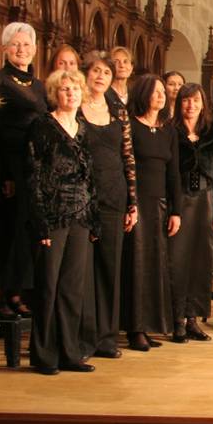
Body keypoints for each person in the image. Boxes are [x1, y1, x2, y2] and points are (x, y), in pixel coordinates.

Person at [28, 69, 99, 374]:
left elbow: (90, 178)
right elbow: (35, 176)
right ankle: (43, 355)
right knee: (48, 286)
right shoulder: (42, 126)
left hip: (80, 214)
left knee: (72, 288)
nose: (71, 94)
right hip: (53, 214)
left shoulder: (83, 129)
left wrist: (93, 218)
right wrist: (40, 221)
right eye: (65, 90)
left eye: (75, 90)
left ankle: (70, 352)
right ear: (55, 94)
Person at [79, 52, 138, 359]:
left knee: (109, 268)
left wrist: (133, 202)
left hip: (114, 195)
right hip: (82, 198)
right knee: (83, 270)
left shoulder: (118, 111)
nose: (101, 76)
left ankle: (106, 337)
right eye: (96, 71)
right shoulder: (75, 108)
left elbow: (128, 157)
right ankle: (84, 338)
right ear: (86, 74)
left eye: (106, 72)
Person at [125, 74, 182, 350]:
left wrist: (176, 210)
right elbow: (126, 166)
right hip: (137, 204)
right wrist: (130, 203)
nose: (161, 96)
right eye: (155, 91)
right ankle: (134, 328)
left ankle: (149, 325)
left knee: (154, 267)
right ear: (144, 93)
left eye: (163, 91)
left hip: (160, 204)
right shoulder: (130, 125)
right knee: (136, 266)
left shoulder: (168, 130)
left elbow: (174, 174)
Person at [0, 23, 47, 318]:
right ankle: (1, 294)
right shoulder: (1, 82)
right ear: (5, 48)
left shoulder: (40, 86)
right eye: (15, 45)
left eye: (27, 45)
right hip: (7, 166)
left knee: (24, 232)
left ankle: (17, 291)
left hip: (33, 167)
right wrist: (4, 174)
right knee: (5, 230)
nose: (21, 50)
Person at [168, 83, 213, 342]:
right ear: (179, 103)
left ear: (203, 103)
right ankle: (176, 319)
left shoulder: (211, 133)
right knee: (178, 259)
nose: (191, 105)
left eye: (195, 100)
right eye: (186, 100)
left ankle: (193, 319)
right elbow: (170, 171)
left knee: (202, 259)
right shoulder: (171, 131)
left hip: (205, 200)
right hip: (181, 199)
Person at [105, 46, 134, 111]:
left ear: (131, 68)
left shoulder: (135, 94)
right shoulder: (104, 93)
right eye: (116, 62)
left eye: (125, 61)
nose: (122, 65)